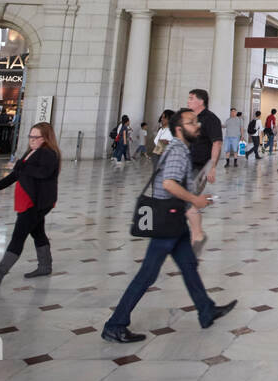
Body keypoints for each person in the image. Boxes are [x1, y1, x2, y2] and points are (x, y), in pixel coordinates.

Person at [101, 109, 235, 343]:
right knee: (147, 275)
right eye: (192, 123)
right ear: (180, 129)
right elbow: (169, 183)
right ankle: (115, 324)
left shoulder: (180, 149)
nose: (197, 126)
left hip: (174, 217)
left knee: (188, 265)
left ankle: (206, 309)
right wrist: (195, 200)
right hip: (167, 219)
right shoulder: (177, 151)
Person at [0, 120, 62, 284]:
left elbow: (43, 173)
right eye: (30, 136)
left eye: (35, 137)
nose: (31, 139)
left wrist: (19, 166)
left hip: (36, 203)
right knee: (37, 232)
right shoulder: (31, 152)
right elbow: (15, 175)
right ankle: (45, 266)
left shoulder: (48, 153)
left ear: (45, 138)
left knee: (18, 237)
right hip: (28, 200)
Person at [185, 89, 222, 255]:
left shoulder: (211, 120)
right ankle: (195, 234)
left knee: (189, 200)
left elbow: (217, 143)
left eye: (191, 99)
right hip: (185, 164)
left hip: (200, 167)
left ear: (201, 101)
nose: (188, 101)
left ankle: (197, 235)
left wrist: (212, 167)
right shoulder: (189, 118)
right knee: (184, 201)